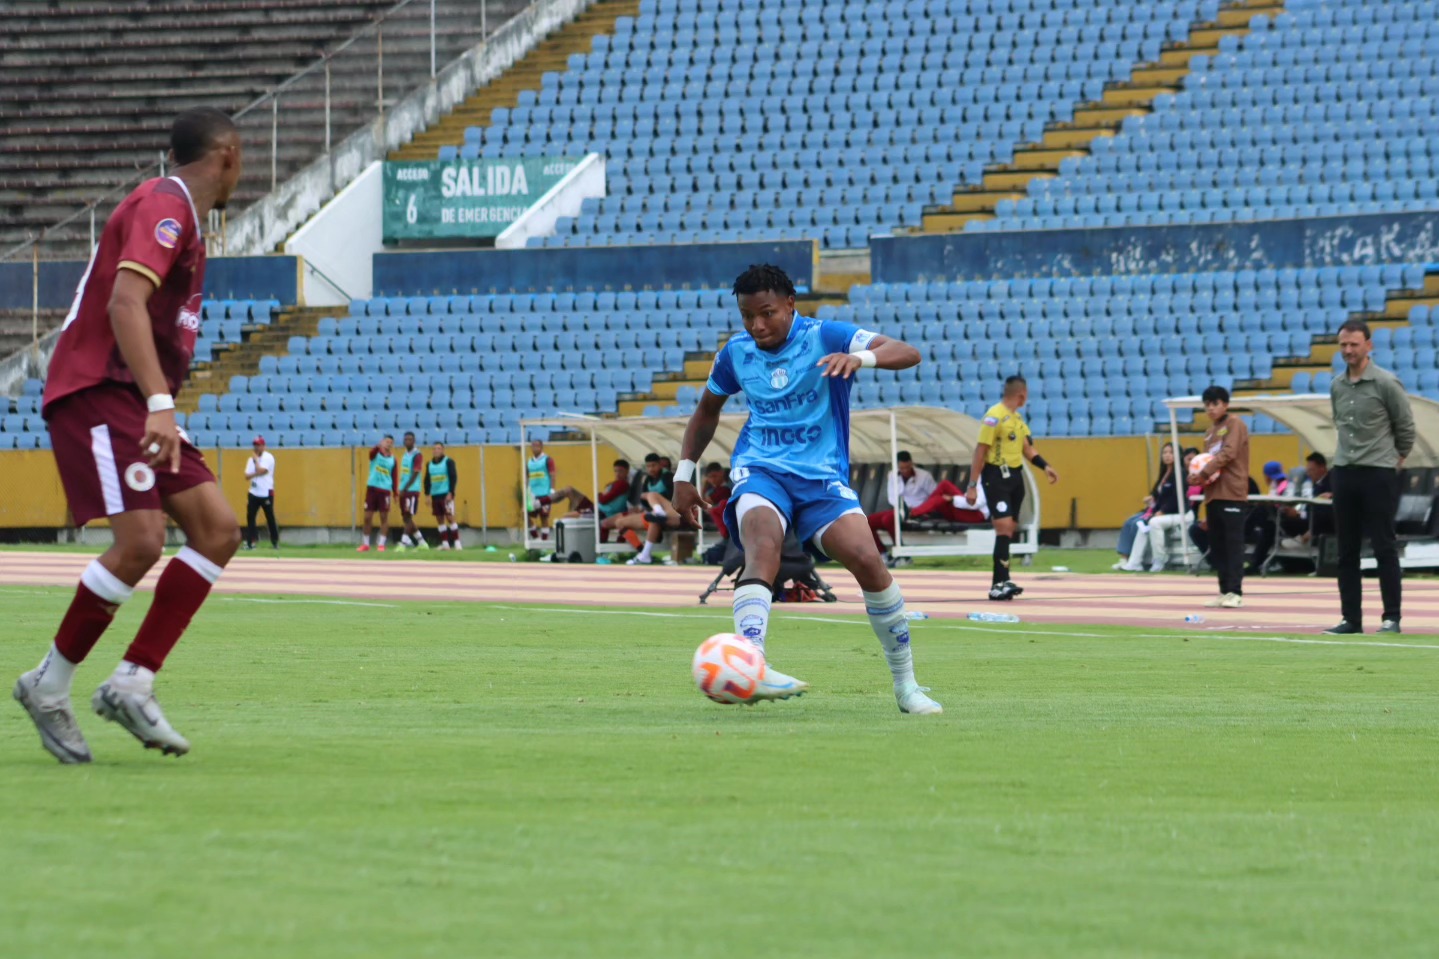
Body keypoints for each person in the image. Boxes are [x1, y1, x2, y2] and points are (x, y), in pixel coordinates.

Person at [13, 107, 244, 763]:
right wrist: (160, 403)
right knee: (141, 540)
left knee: (218, 529)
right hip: (100, 390)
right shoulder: (164, 205)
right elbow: (124, 302)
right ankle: (47, 684)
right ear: (227, 155)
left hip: (133, 398)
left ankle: (133, 681)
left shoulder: (183, 219)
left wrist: (157, 403)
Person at [673, 263, 942, 714]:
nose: (757, 325)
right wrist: (683, 475)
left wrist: (861, 358)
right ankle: (752, 663)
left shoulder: (826, 335)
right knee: (763, 545)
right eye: (747, 316)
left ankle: (906, 686)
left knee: (868, 561)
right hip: (761, 469)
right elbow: (706, 411)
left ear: (790, 304)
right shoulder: (736, 352)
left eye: (767, 313)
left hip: (822, 478)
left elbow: (907, 352)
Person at [1324, 319, 1415, 635]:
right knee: (1346, 550)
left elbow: (1405, 427)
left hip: (1378, 472)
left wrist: (1395, 459)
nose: (1348, 350)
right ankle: (1351, 619)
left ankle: (1392, 617)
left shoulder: (1386, 383)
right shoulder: (1337, 385)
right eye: (1343, 345)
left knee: (1383, 546)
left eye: (1354, 344)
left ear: (1369, 345)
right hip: (1344, 471)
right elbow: (1339, 423)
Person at [966, 375, 1060, 600]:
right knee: (1003, 526)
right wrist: (972, 485)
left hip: (1016, 478)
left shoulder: (1017, 419)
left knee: (1010, 529)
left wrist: (1045, 466)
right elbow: (981, 450)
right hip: (996, 475)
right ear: (1021, 394)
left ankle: (1004, 579)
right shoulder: (994, 416)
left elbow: (1027, 449)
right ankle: (997, 583)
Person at [1191, 386, 1251, 608]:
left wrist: (1203, 472)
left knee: (1233, 544)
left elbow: (1229, 453)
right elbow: (1206, 460)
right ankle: (1224, 590)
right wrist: (1195, 475)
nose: (1210, 408)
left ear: (1225, 404)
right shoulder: (1210, 432)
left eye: (1215, 404)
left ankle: (1235, 592)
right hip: (1213, 494)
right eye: (1207, 405)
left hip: (1232, 493)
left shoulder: (1235, 424)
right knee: (1218, 545)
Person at [1120, 442, 1184, 572]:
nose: (1167, 455)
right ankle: (1133, 562)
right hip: (1158, 511)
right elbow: (1156, 493)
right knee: (1140, 525)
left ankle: (1159, 559)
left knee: (1150, 522)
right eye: (1165, 452)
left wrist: (1162, 511)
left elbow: (1176, 498)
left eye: (1171, 452)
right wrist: (1151, 499)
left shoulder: (1181, 473)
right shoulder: (1164, 473)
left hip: (1176, 512)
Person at [1281, 452, 1334, 549]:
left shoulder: (1331, 482)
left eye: (1311, 470)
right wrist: (1299, 513)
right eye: (1308, 471)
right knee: (1280, 519)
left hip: (1325, 520)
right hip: (1311, 517)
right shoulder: (1317, 484)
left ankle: (1304, 539)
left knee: (1323, 513)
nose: (1309, 474)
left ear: (1322, 468)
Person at [358, 434, 397, 552]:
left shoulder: (393, 459)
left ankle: (381, 544)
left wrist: (395, 492)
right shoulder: (376, 454)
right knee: (367, 517)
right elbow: (370, 454)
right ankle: (366, 544)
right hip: (372, 488)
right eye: (386, 442)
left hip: (385, 490)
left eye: (390, 442)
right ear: (382, 442)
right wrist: (377, 447)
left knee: (384, 517)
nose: (388, 444)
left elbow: (394, 476)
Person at [422, 441, 460, 550]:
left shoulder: (448, 461)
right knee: (439, 519)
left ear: (443, 450)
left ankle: (457, 543)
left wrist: (451, 492)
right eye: (434, 449)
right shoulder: (429, 464)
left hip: (446, 494)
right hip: (435, 495)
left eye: (438, 448)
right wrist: (427, 495)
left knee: (450, 517)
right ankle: (445, 544)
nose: (436, 451)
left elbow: (453, 477)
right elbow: (427, 480)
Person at [243, 434, 279, 550]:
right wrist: (256, 472)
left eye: (258, 445)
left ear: (264, 446)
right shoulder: (250, 459)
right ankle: (251, 542)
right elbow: (247, 476)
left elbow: (262, 470)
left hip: (266, 492)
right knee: (251, 517)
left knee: (270, 517)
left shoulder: (268, 457)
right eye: (255, 445)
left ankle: (275, 541)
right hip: (254, 492)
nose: (256, 447)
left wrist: (256, 462)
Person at [395, 431, 428, 552]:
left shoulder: (417, 455)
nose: (407, 441)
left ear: (414, 441)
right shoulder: (405, 455)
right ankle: (422, 542)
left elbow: (415, 473)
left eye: (410, 439)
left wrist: (406, 488)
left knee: (408, 516)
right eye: (406, 439)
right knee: (405, 517)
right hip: (403, 489)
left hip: (412, 490)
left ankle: (403, 543)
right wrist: (401, 488)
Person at [526, 438, 557, 541]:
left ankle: (544, 542)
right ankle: (536, 538)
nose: (535, 448)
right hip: (532, 494)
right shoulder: (529, 462)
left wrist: (552, 490)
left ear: (541, 447)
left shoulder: (547, 460)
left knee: (544, 517)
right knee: (526, 515)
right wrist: (526, 490)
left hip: (544, 493)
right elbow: (527, 477)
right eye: (533, 446)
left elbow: (552, 475)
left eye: (537, 446)